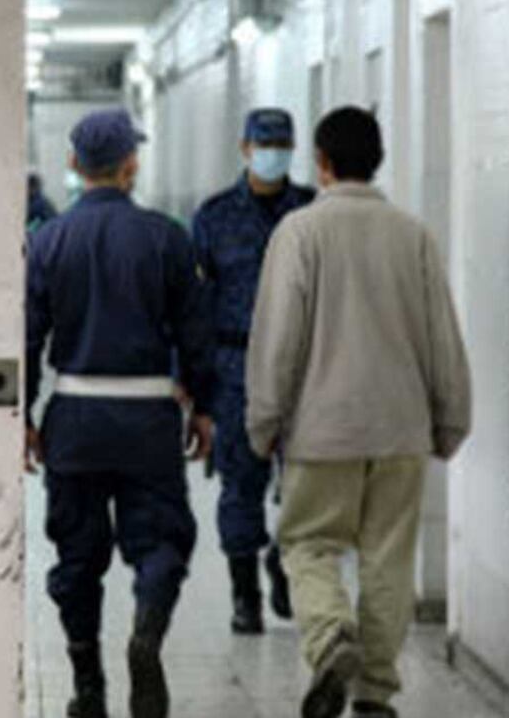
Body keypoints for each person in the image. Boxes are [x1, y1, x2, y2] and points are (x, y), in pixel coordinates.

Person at [245, 107, 471, 718]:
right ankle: (374, 690)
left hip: (321, 430)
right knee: (387, 558)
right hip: (401, 430)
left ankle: (330, 640)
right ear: (378, 160)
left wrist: (264, 421)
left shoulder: (299, 232)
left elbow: (278, 339)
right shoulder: (412, 235)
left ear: (320, 162)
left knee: (308, 545)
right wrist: (451, 420)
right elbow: (442, 337)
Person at [26, 108, 215, 718]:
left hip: (75, 418)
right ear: (131, 164)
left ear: (73, 164)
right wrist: (204, 406)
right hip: (147, 420)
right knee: (161, 540)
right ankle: (146, 637)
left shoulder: (48, 240)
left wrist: (22, 416)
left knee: (77, 557)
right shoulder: (167, 237)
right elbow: (196, 333)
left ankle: (88, 687)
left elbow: (27, 335)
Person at [192, 108, 317, 635]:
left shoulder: (312, 210)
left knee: (306, 482)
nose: (273, 154)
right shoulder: (214, 216)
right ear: (245, 149)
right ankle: (245, 594)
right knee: (240, 485)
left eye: (282, 145)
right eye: (264, 144)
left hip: (303, 369)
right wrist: (195, 391)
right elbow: (196, 306)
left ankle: (284, 561)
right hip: (234, 368)